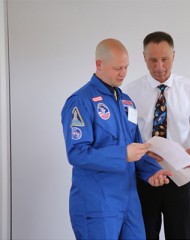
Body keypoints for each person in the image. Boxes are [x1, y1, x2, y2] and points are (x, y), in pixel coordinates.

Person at [61, 38, 172, 240]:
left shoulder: (127, 102)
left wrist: (152, 172)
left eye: (126, 67)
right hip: (97, 203)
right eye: (117, 68)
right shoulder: (81, 101)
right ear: (99, 64)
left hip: (129, 201)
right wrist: (122, 154)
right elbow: (76, 153)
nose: (123, 73)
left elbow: (138, 148)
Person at [124, 31, 190, 239]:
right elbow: (126, 135)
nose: (159, 67)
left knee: (181, 234)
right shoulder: (130, 92)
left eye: (164, 59)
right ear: (144, 58)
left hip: (179, 177)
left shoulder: (189, 88)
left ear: (173, 55)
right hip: (144, 177)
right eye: (153, 60)